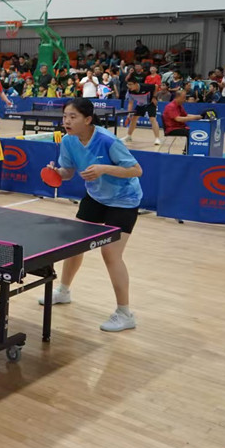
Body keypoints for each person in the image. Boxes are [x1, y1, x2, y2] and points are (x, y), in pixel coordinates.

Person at [41, 99, 143, 332]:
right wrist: (56, 173)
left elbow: (136, 170)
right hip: (96, 197)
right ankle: (63, 291)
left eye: (73, 117)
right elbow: (68, 172)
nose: (67, 121)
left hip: (124, 200)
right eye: (65, 116)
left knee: (110, 253)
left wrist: (103, 169)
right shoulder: (68, 140)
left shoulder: (107, 140)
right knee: (75, 244)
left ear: (88, 119)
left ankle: (125, 314)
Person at [124, 78, 161, 146]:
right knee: (134, 118)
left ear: (136, 84)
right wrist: (129, 114)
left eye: (130, 84)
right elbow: (130, 103)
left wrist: (154, 97)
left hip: (150, 103)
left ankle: (157, 138)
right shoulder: (129, 91)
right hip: (140, 104)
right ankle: (129, 136)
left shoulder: (145, 87)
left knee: (152, 119)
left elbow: (156, 86)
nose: (129, 86)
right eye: (128, 84)